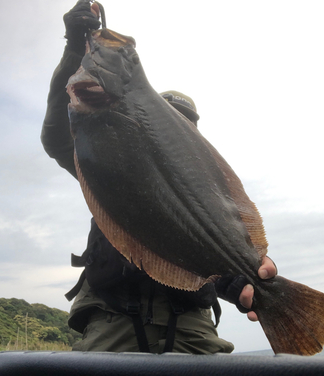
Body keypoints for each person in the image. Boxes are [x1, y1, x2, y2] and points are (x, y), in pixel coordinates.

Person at [41, 0, 277, 354]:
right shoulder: (103, 153)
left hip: (190, 323)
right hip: (112, 318)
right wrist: (76, 49)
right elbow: (58, 134)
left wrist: (244, 285)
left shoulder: (205, 191)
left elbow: (209, 249)